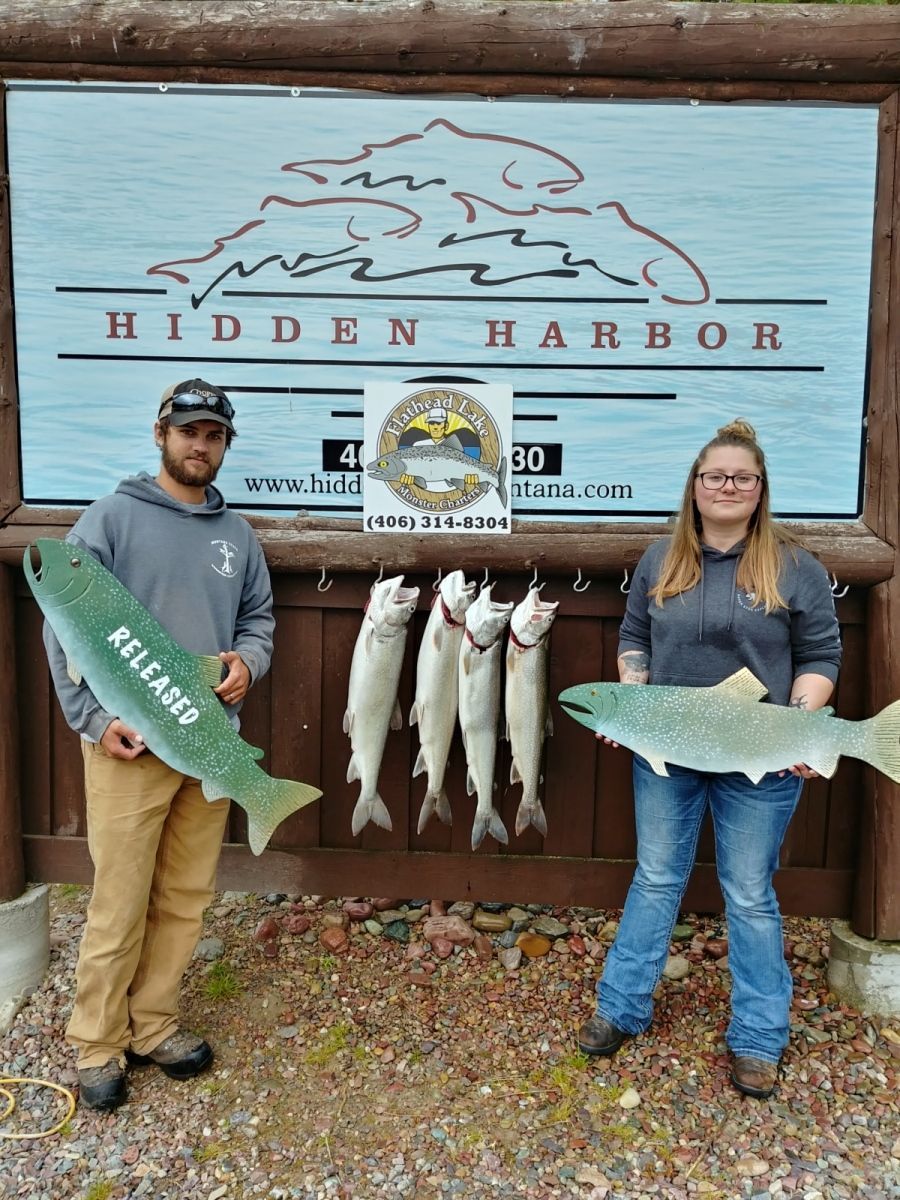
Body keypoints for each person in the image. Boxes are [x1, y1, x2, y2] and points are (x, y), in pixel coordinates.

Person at [578, 418, 841, 1100]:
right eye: (715, 476)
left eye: (741, 478)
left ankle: (758, 1037)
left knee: (750, 894)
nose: (727, 487)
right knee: (657, 877)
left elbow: (819, 657)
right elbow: (635, 639)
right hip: (668, 753)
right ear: (694, 487)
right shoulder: (660, 560)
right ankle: (621, 1008)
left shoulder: (794, 566)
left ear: (760, 490)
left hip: (760, 759)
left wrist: (805, 730)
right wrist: (629, 712)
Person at [42, 379, 275, 1111]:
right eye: (188, 432)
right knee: (118, 898)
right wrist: (89, 717)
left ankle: (155, 1025)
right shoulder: (111, 519)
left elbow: (258, 621)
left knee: (184, 897)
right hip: (131, 748)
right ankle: (97, 1042)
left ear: (224, 446)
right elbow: (63, 620)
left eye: (212, 435)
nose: (199, 445)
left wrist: (248, 663)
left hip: (206, 747)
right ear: (160, 434)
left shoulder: (237, 539)